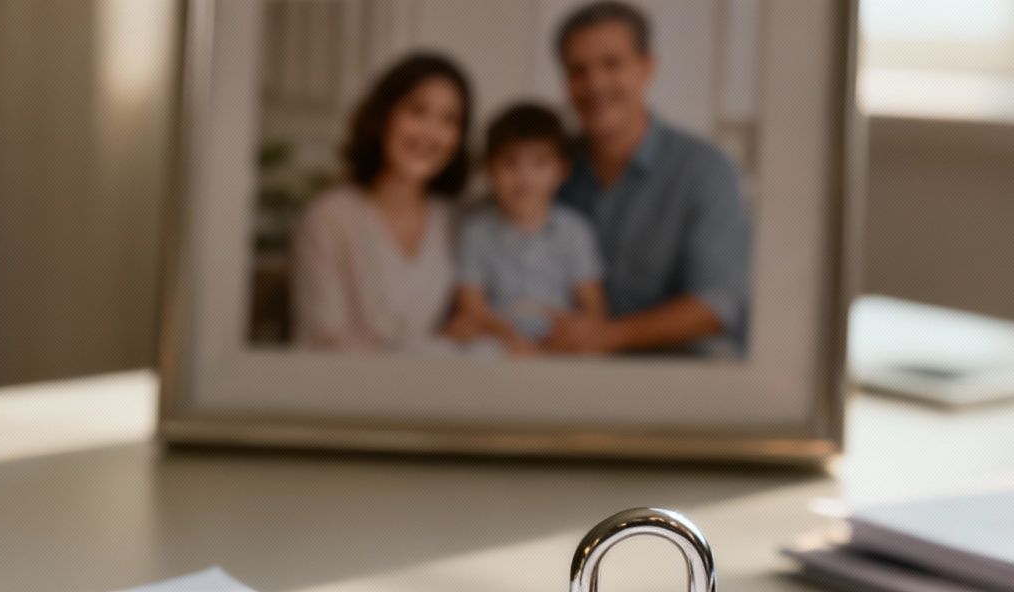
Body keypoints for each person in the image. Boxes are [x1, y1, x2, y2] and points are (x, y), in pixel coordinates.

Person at [544, 1, 751, 356]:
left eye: (612, 64)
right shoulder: (550, 170)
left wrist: (609, 336)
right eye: (579, 70)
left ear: (647, 68)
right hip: (571, 373)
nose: (594, 84)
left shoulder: (704, 169)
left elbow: (718, 304)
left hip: (678, 380)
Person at [292, 53, 472, 352]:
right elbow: (322, 342)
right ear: (383, 116)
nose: (430, 133)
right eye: (417, 111)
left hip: (435, 393)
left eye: (449, 120)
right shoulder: (330, 218)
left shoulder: (456, 221)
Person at [444, 103, 604, 355]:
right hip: (498, 340)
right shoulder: (476, 231)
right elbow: (471, 305)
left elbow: (593, 307)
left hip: (559, 341)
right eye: (510, 163)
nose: (524, 176)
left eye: (540, 163)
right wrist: (507, 336)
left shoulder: (575, 230)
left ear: (562, 170)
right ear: (489, 169)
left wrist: (574, 332)